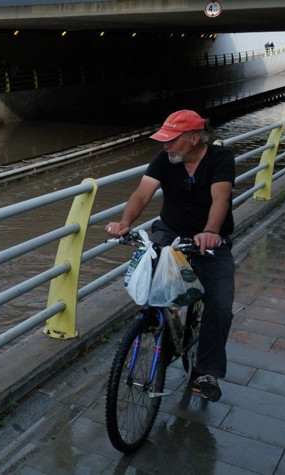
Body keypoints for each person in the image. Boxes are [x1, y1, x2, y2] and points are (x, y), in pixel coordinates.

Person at [105, 109, 235, 402]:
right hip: (170, 232)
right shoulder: (164, 160)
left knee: (219, 302)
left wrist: (210, 231)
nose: (165, 145)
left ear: (193, 138)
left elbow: (221, 198)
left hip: (210, 240)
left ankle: (206, 371)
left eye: (171, 140)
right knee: (152, 285)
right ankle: (161, 330)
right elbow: (141, 194)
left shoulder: (220, 159)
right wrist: (125, 223)